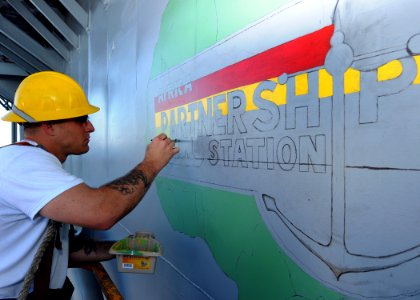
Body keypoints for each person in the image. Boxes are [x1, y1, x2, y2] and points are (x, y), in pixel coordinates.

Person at [0, 71, 179, 299]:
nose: (90, 127)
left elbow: (59, 252)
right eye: (81, 119)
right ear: (48, 126)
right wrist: (151, 164)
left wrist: (116, 248)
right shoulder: (23, 164)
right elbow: (101, 213)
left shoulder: (28, 161)